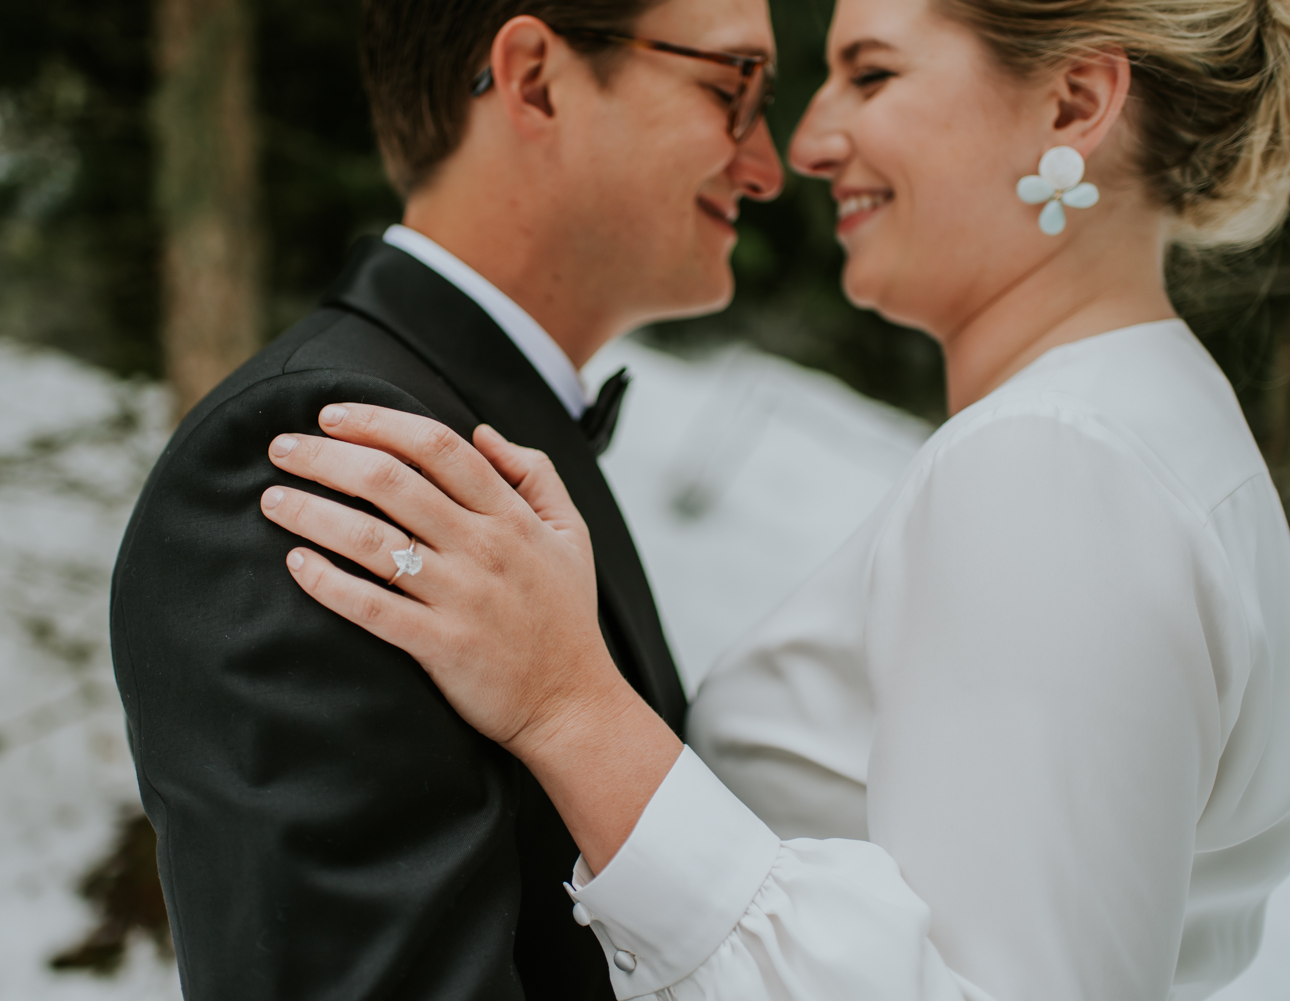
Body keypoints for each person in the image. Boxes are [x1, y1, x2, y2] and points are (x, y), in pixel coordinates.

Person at [255, 0, 1290, 994]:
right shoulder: (1157, 426)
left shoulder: (1058, 465)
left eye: (871, 74)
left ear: (1073, 106)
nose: (806, 144)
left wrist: (572, 707)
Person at [109, 0, 781, 996]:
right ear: (536, 80)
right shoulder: (331, 445)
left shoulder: (468, 420)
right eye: (734, 87)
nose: (767, 162)